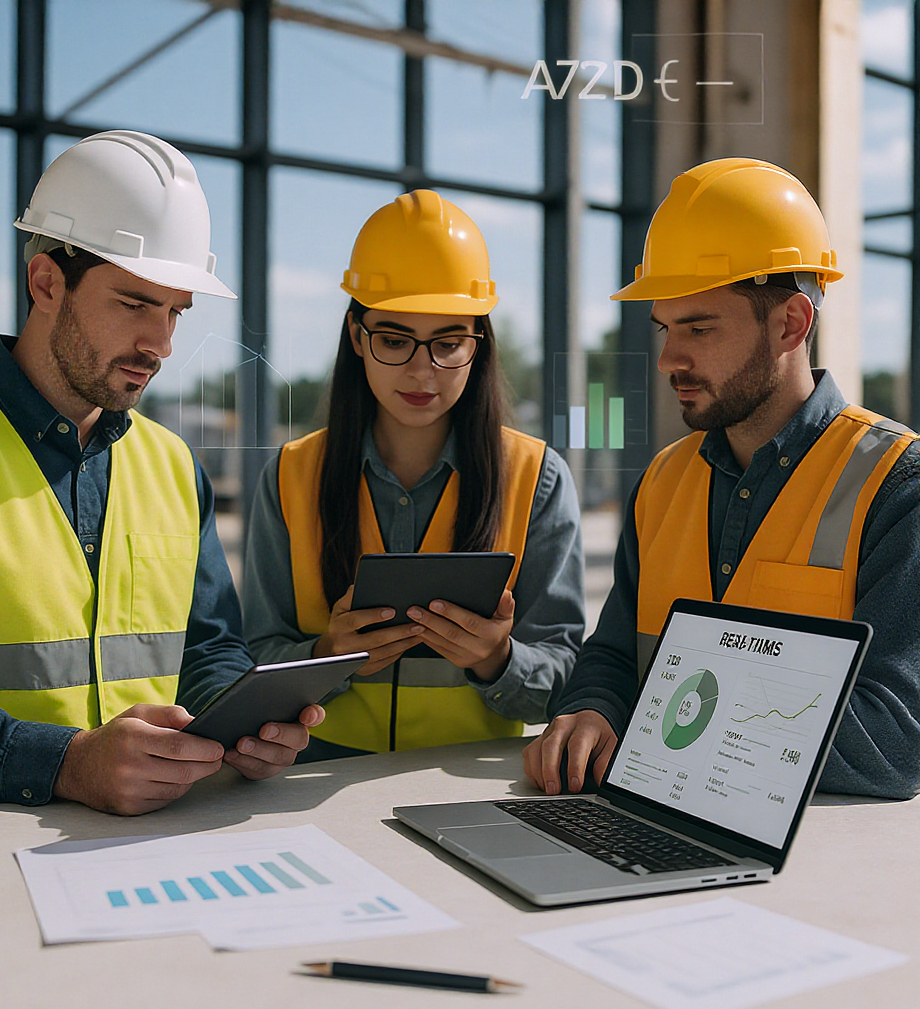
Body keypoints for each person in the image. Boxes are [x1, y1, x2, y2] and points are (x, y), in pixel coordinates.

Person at [0, 130, 322, 817]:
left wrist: (242, 724)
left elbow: (207, 648)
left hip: (139, 847)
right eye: (135, 304)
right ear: (46, 283)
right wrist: (65, 763)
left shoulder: (173, 466)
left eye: (175, 311)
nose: (162, 344)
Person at [524, 156, 920, 801]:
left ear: (791, 323)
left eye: (700, 328)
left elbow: (894, 744)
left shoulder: (896, 484)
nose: (668, 359)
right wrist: (594, 707)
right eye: (666, 328)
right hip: (654, 818)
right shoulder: (663, 481)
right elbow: (615, 655)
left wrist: (670, 718)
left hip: (810, 848)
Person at [242, 189, 584, 760]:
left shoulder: (537, 478)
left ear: (479, 345)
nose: (423, 370)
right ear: (357, 337)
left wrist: (496, 660)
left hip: (465, 789)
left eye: (448, 343)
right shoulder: (289, 476)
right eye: (395, 341)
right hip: (312, 781)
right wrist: (326, 656)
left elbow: (564, 677)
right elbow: (251, 655)